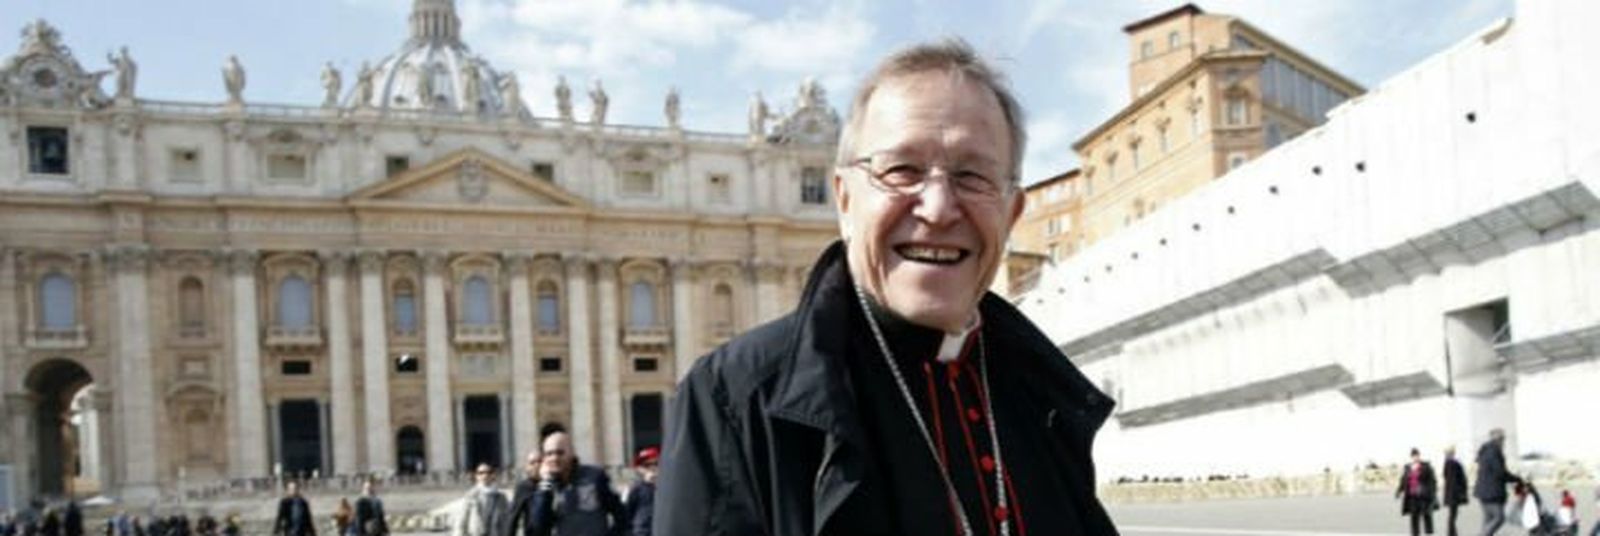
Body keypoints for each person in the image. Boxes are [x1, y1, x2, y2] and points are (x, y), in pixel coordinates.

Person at [654, 38, 1118, 536]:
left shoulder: (1044, 398)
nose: (938, 209)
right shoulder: (734, 399)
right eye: (902, 170)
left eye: (972, 176)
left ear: (1011, 212)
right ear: (844, 200)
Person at [506, 432, 625, 536]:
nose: (555, 458)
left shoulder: (595, 477)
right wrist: (545, 486)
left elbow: (622, 516)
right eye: (549, 454)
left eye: (560, 453)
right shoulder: (543, 487)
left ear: (572, 453)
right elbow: (537, 529)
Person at [1473, 429, 1521, 536]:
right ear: (1498, 439)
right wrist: (1516, 479)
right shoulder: (1494, 451)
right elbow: (1500, 472)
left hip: (1484, 491)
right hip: (1492, 492)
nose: (1504, 442)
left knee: (1488, 519)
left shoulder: (1485, 450)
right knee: (1499, 517)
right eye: (1503, 439)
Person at [452, 463, 507, 536]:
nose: (485, 475)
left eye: (488, 472)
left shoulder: (500, 497)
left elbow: (506, 520)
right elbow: (462, 519)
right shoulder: (470, 496)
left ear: (493, 475)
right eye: (481, 473)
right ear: (476, 476)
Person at [1396, 448, 1438, 536]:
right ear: (1411, 457)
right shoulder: (1408, 468)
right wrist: (1399, 491)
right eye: (1413, 456)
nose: (1415, 457)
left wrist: (1432, 492)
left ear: (1419, 456)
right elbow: (1403, 481)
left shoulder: (1426, 466)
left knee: (1427, 516)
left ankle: (1429, 534)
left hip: (1423, 496)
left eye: (1417, 455)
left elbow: (1432, 481)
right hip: (1412, 497)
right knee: (1414, 518)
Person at [624, 447, 659, 536]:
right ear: (639, 469)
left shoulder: (668, 486)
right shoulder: (634, 488)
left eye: (656, 464)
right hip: (643, 531)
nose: (652, 468)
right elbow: (627, 513)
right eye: (646, 465)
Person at [1442, 446, 1469, 536]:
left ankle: (1452, 532)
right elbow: (1458, 479)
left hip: (1451, 493)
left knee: (1452, 514)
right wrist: (1461, 492)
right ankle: (1451, 533)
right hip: (1454, 494)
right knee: (1453, 515)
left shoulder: (1447, 464)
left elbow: (1447, 477)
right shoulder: (1454, 464)